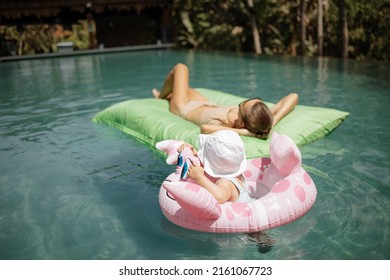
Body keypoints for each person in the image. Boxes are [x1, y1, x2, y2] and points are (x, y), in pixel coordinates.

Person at [153, 63, 299, 139]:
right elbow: (293, 96)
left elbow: (205, 129)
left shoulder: (226, 125)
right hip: (204, 103)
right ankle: (164, 95)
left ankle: (160, 98)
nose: (241, 104)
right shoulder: (256, 117)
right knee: (178, 84)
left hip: (184, 107)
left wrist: (246, 133)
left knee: (180, 68)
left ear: (242, 123)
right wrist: (272, 122)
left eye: (241, 106)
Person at [178, 130, 253, 204]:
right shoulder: (233, 170)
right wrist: (193, 153)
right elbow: (215, 162)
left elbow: (220, 197)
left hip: (239, 214)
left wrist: (199, 177)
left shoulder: (226, 182)